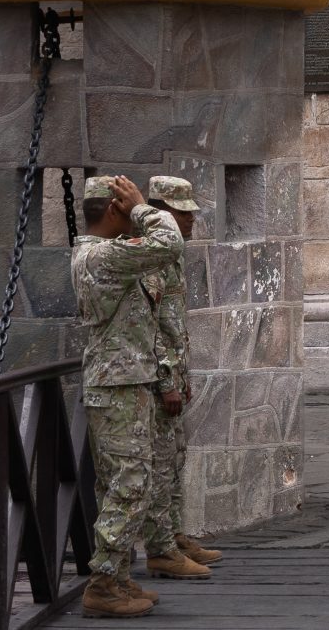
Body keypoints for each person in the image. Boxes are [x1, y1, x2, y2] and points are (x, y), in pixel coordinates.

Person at [71, 175, 185, 619]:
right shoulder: (103, 255)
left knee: (119, 485)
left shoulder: (99, 255)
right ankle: (102, 585)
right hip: (117, 387)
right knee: (129, 485)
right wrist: (143, 207)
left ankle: (116, 577)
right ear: (115, 210)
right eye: (128, 206)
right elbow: (169, 243)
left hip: (122, 383)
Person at [140, 176, 218, 583]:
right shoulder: (152, 258)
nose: (190, 221)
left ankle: (173, 535)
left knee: (175, 459)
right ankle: (161, 548)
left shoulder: (169, 256)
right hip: (157, 381)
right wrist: (166, 379)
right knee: (160, 462)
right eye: (183, 213)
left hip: (173, 371)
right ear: (162, 212)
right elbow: (151, 327)